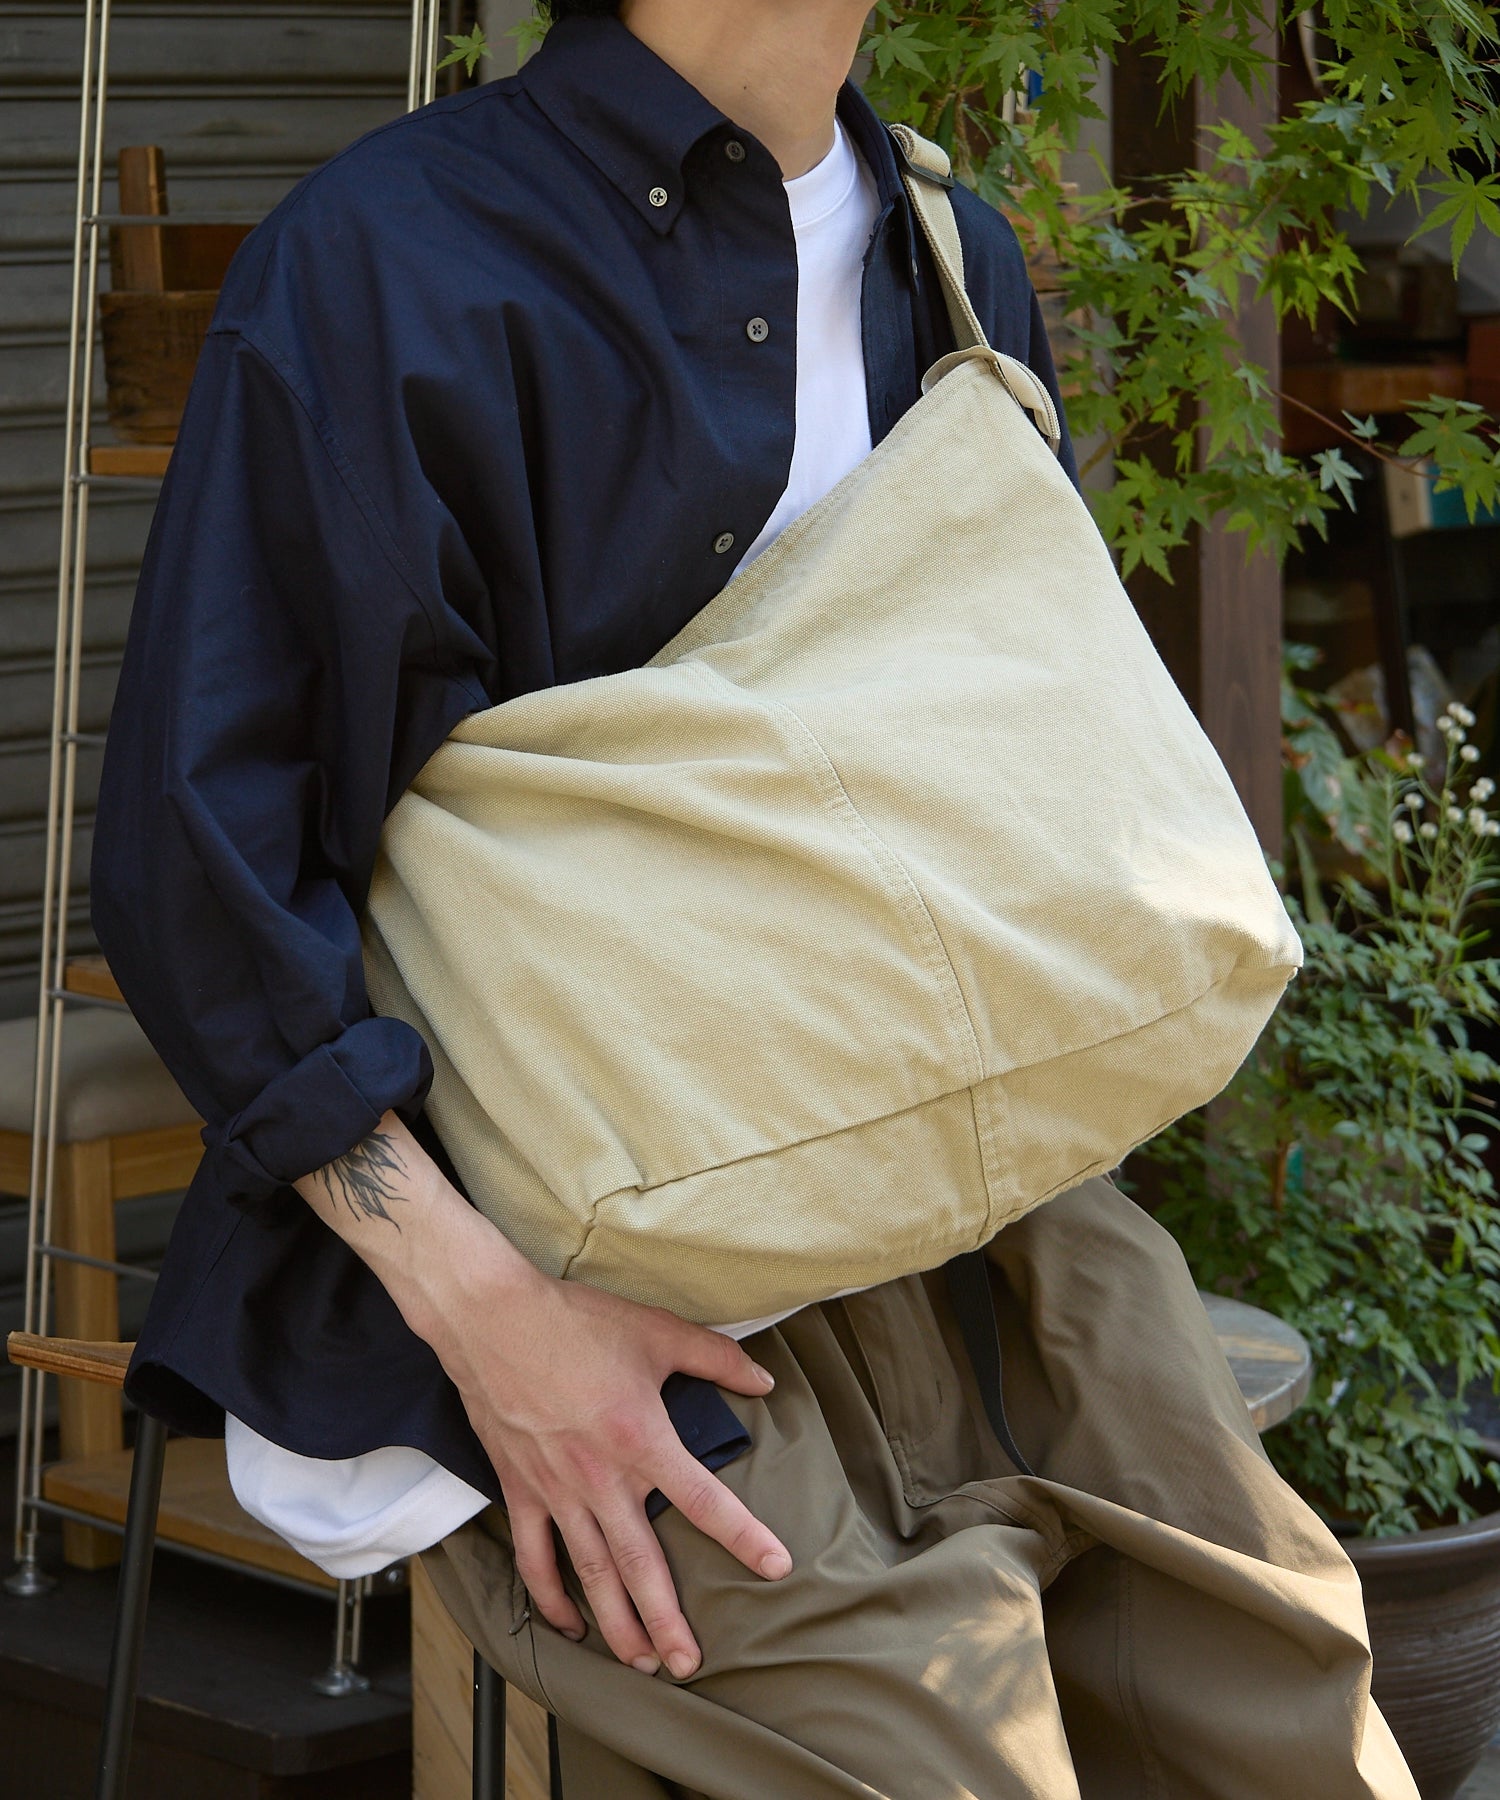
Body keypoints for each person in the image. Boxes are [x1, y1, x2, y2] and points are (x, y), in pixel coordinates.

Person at [93, 2, 1420, 1793]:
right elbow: (203, 861)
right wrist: (493, 1325)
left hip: (976, 1198)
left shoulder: (948, 263)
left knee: (1285, 1709)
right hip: (583, 1249)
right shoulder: (397, 259)